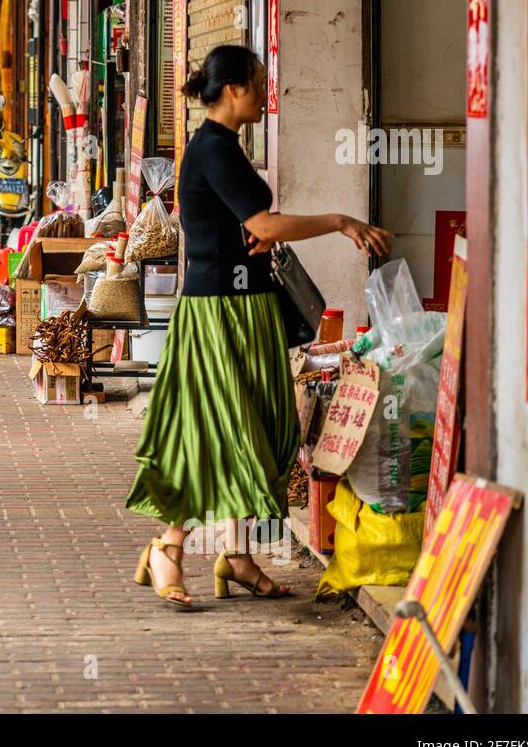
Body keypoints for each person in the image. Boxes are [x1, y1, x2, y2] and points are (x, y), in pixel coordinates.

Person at [126, 44, 392, 607]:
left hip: (248, 310)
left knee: (266, 431)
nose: (266, 92)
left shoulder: (225, 148)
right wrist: (342, 221)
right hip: (217, 314)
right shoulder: (214, 149)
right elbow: (263, 221)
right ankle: (168, 549)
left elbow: (253, 226)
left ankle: (238, 554)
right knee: (213, 434)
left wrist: (262, 232)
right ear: (233, 90)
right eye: (259, 81)